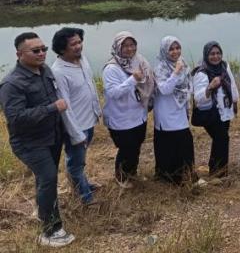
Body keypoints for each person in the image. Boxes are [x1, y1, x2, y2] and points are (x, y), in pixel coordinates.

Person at [0, 32, 75, 247]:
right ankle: (50, 231)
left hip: (52, 137)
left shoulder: (44, 70)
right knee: (49, 178)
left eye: (43, 49)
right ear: (19, 54)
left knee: (45, 180)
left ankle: (42, 210)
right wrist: (52, 108)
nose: (42, 53)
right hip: (30, 143)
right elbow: (15, 119)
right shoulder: (11, 84)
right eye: (36, 50)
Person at [51, 27, 101, 204]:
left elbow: (90, 86)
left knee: (80, 160)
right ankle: (84, 196)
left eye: (80, 42)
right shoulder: (58, 72)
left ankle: (83, 183)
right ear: (62, 48)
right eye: (73, 44)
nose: (79, 46)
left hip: (89, 120)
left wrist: (97, 111)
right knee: (75, 162)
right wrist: (76, 134)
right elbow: (64, 107)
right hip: (76, 126)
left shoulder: (81, 60)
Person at [103, 31, 155, 189]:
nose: (129, 49)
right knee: (126, 149)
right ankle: (121, 177)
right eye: (125, 45)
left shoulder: (138, 61)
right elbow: (113, 93)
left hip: (139, 115)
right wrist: (132, 79)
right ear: (118, 47)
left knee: (136, 146)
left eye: (132, 45)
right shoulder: (111, 68)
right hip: (121, 118)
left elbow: (149, 80)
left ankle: (132, 173)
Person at [153, 36, 198, 184]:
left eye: (177, 48)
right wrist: (176, 72)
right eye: (171, 49)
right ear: (165, 50)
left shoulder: (182, 63)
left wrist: (188, 105)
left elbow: (188, 85)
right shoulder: (160, 68)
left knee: (185, 142)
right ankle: (168, 176)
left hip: (180, 109)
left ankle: (187, 173)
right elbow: (165, 89)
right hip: (166, 112)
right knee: (169, 144)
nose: (175, 52)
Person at [192, 41, 239, 178]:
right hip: (210, 113)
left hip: (225, 110)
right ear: (206, 55)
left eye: (218, 53)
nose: (215, 56)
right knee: (222, 138)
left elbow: (232, 84)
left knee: (220, 140)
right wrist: (210, 87)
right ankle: (218, 174)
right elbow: (198, 98)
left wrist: (235, 101)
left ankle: (218, 171)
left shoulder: (224, 66)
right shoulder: (201, 72)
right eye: (212, 54)